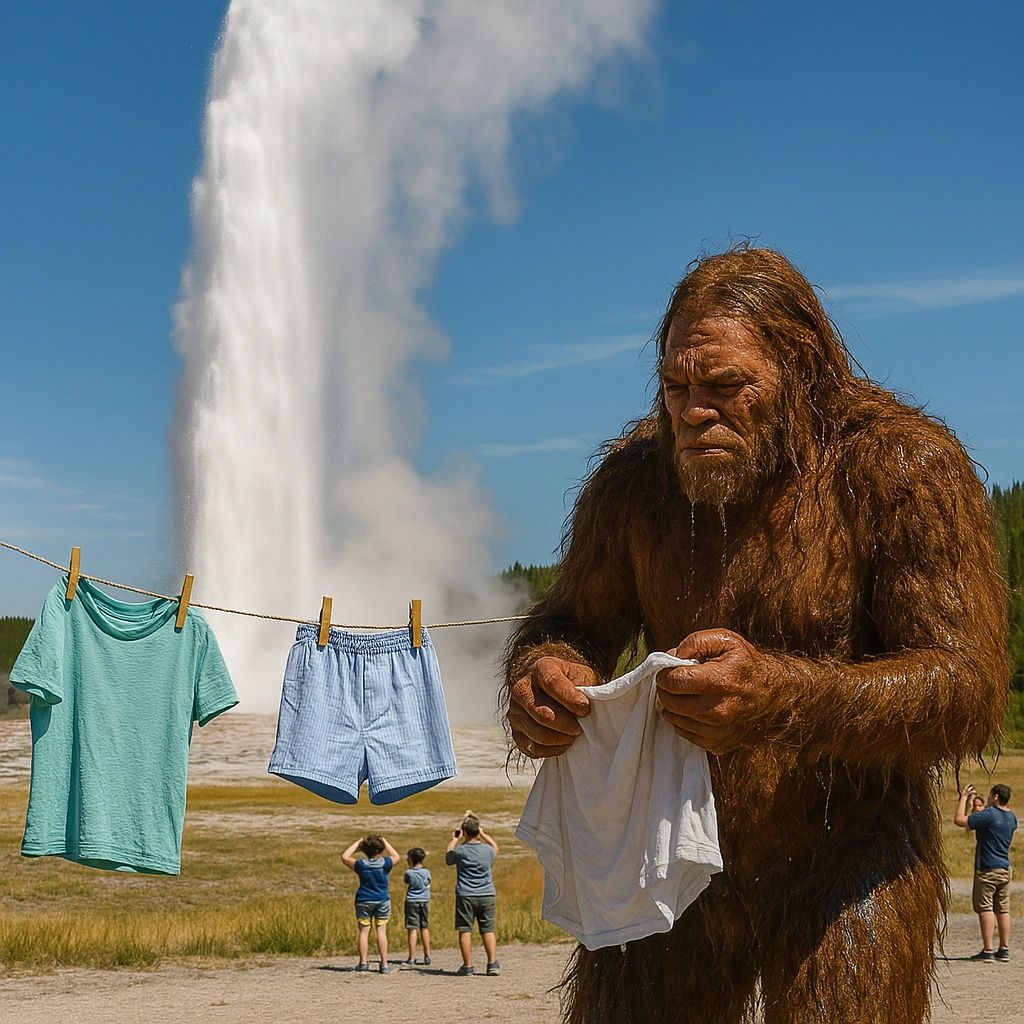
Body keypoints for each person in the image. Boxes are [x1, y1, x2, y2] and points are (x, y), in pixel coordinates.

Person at [503, 246, 1008, 1024]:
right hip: (672, 846)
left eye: (726, 386)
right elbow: (570, 623)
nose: (693, 413)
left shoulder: (901, 468)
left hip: (850, 850)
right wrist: (546, 674)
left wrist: (782, 697)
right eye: (677, 388)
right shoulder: (636, 484)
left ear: (801, 372)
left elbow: (965, 687)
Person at [955, 783, 1018, 962]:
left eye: (990, 795)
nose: (988, 799)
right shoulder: (1012, 817)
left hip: (987, 868)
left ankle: (988, 949)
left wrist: (964, 798)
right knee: (1003, 909)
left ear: (996, 796)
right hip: (1005, 868)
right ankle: (1004, 948)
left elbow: (960, 820)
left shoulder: (990, 814)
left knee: (985, 908)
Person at [446, 812, 501, 976]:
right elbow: (496, 848)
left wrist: (455, 839)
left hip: (466, 894)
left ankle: (468, 966)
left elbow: (448, 857)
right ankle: (492, 963)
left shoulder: (460, 851)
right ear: (477, 831)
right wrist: (483, 834)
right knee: (487, 930)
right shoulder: (487, 851)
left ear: (464, 832)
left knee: (465, 930)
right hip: (487, 893)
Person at [342, 833, 400, 973]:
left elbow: (345, 857)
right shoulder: (385, 864)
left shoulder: (361, 865)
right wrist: (384, 840)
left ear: (365, 850)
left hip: (363, 900)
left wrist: (358, 842)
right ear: (380, 849)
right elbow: (396, 856)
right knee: (381, 931)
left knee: (363, 932)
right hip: (382, 900)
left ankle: (363, 963)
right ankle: (384, 964)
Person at [403, 846, 432, 965]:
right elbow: (428, 881)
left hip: (412, 900)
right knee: (424, 927)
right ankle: (427, 955)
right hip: (424, 900)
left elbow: (406, 881)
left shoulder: (409, 873)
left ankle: (412, 957)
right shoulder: (427, 872)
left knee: (412, 928)